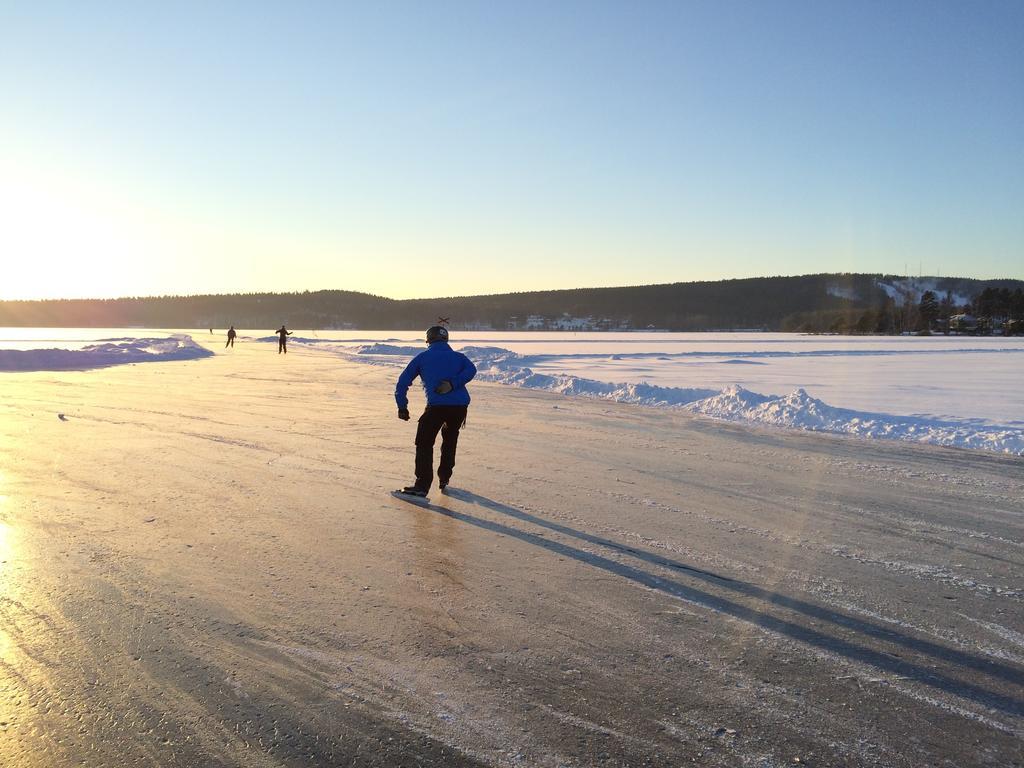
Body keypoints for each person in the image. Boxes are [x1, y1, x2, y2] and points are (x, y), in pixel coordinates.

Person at [395, 326, 477, 496]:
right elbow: (472, 370)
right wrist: (454, 383)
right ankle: (444, 477)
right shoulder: (459, 357)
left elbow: (402, 383)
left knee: (424, 443)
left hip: (437, 407)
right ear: (446, 340)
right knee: (450, 440)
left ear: (428, 340)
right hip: (460, 407)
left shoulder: (423, 357)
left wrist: (402, 407)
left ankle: (422, 486)